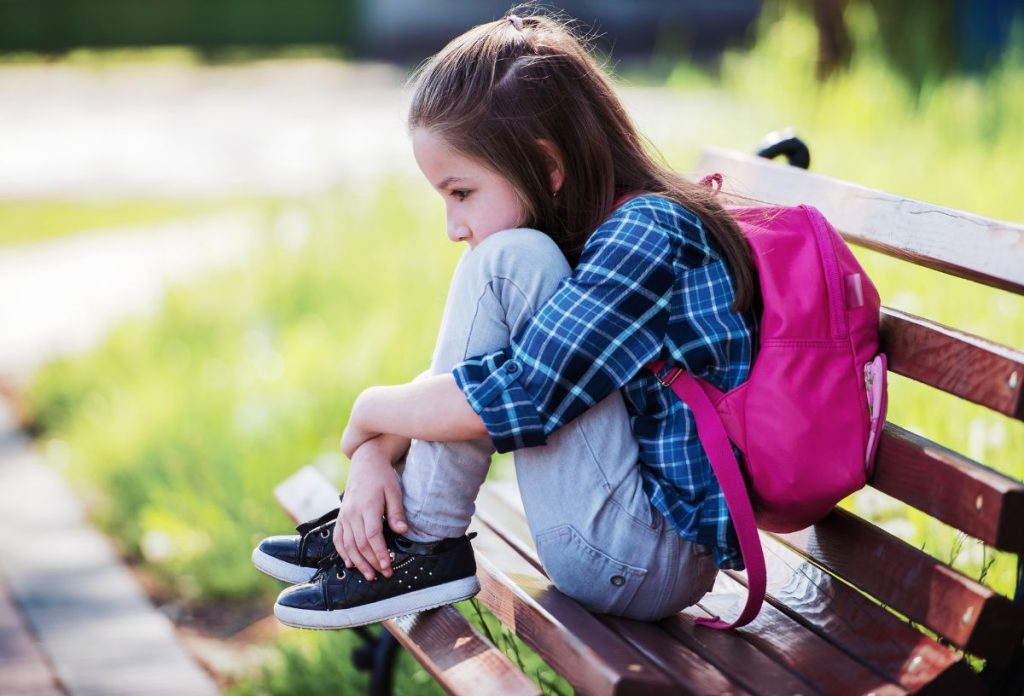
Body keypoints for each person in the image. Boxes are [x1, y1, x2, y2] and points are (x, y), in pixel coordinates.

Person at [255, 11, 760, 631]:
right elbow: (488, 377)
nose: (452, 226)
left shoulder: (644, 234)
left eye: (461, 193)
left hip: (647, 555)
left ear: (548, 169)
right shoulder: (600, 226)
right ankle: (413, 536)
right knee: (514, 263)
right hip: (630, 538)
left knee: (505, 261)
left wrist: (369, 412)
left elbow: (522, 394)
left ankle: (424, 544)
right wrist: (374, 454)